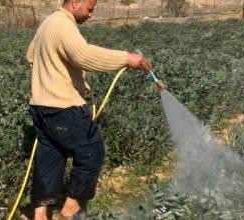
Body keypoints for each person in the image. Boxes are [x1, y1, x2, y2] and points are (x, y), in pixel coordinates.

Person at [25, 0, 152, 219]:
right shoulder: (63, 25)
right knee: (92, 151)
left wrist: (53, 73)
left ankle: (39, 213)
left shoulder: (47, 23)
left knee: (51, 157)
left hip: (41, 106)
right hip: (63, 106)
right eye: (89, 9)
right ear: (75, 3)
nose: (91, 15)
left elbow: (30, 56)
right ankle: (71, 207)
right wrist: (127, 59)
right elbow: (83, 56)